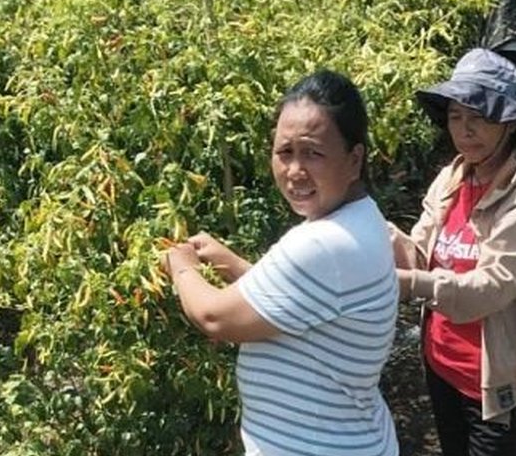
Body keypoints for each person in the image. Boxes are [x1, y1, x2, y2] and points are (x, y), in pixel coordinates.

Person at [161, 70, 399, 456]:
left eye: (313, 153)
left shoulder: (324, 244)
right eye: (284, 152)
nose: (294, 171)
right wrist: (234, 264)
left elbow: (214, 317)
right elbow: (310, 306)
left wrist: (180, 264)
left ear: (354, 160)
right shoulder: (359, 220)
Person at [392, 49, 516, 456]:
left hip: (494, 377)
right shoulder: (452, 178)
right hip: (442, 364)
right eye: (455, 117)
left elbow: (494, 286)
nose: (465, 131)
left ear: (510, 122)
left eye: (479, 117)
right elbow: (420, 251)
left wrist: (411, 285)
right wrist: (372, 227)